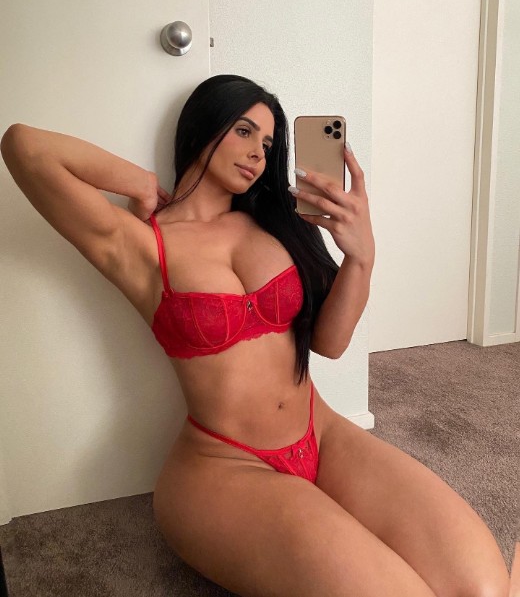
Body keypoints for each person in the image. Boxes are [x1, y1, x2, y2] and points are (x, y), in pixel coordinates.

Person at [1, 74, 509, 597]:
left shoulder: (277, 225)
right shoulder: (141, 246)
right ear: (204, 125)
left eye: (267, 144)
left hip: (321, 435)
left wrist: (361, 256)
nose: (257, 154)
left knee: (485, 587)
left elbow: (330, 344)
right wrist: (138, 181)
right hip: (223, 468)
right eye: (244, 131)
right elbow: (24, 146)